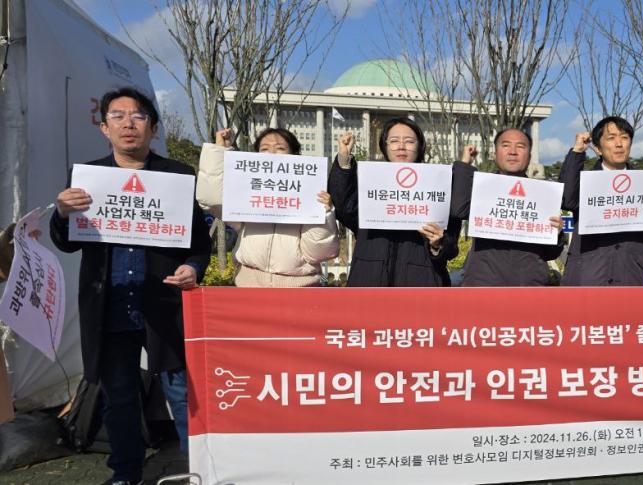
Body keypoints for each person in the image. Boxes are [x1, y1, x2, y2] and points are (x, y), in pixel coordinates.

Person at [49, 87, 211, 485]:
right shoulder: (87, 179)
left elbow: (198, 243)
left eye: (138, 116)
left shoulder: (177, 176)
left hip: (164, 304)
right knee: (119, 397)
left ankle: (201, 471)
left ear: (152, 128)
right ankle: (126, 473)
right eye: (118, 116)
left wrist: (192, 267)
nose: (128, 124)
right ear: (104, 128)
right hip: (110, 306)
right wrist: (62, 214)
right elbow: (67, 243)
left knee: (184, 394)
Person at [195, 127, 340, 287]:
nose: (271, 153)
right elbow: (211, 199)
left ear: (295, 155)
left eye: (280, 148)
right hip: (248, 286)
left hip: (299, 289)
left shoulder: (309, 194)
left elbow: (319, 253)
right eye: (264, 149)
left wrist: (324, 214)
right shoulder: (245, 192)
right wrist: (219, 151)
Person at [328, 117, 461, 286]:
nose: (401, 146)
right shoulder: (371, 180)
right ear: (385, 146)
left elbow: (452, 245)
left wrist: (438, 243)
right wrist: (344, 159)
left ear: (420, 146)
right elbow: (344, 208)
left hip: (422, 284)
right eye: (394, 141)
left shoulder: (437, 183)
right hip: (369, 281)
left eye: (409, 141)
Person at [558, 116, 643, 285]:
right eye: (611, 138)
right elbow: (567, 199)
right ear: (598, 148)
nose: (619, 144)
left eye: (624, 137)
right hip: (588, 278)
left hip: (631, 279)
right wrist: (577, 152)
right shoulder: (586, 182)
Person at [453, 127, 565, 286]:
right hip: (483, 284)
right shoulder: (483, 188)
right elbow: (459, 209)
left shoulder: (543, 195)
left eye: (520, 146)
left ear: (529, 156)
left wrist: (557, 233)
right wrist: (464, 165)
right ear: (494, 154)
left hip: (530, 286)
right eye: (506, 145)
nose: (513, 152)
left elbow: (551, 254)